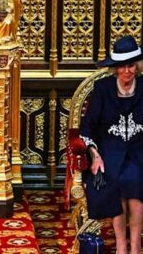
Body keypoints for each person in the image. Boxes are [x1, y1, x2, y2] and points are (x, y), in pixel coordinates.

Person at [79, 35, 143, 254]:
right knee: (115, 182)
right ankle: (121, 246)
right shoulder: (103, 88)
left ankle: (135, 247)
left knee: (135, 182)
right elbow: (86, 128)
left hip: (138, 152)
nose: (127, 71)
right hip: (109, 152)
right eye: (122, 66)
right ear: (115, 68)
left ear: (137, 66)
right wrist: (94, 155)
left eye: (131, 66)